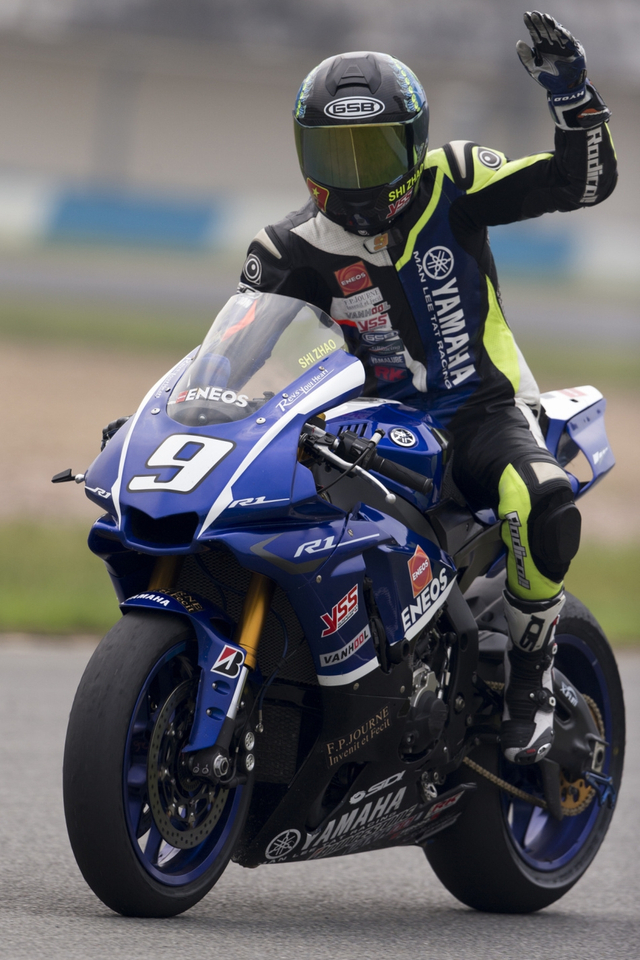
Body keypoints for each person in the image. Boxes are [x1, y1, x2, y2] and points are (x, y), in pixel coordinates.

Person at [237, 11, 617, 765]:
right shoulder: (286, 249)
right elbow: (231, 355)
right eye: (335, 155)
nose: (356, 177)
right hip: (363, 428)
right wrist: (191, 410)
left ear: (413, 145)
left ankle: (531, 682)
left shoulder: (456, 179)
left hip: (482, 414)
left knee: (541, 496)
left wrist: (573, 99)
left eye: (374, 151)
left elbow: (581, 183)